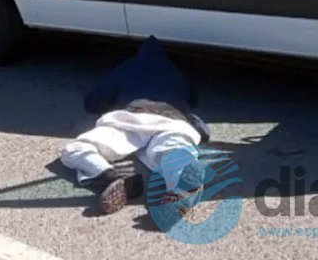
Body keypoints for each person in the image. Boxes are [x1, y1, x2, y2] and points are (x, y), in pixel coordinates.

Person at [58, 36, 212, 215]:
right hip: (174, 120)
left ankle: (107, 174)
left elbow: (93, 102)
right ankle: (181, 183)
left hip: (132, 116)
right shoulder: (176, 72)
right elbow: (193, 98)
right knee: (173, 151)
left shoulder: (127, 68)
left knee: (77, 149)